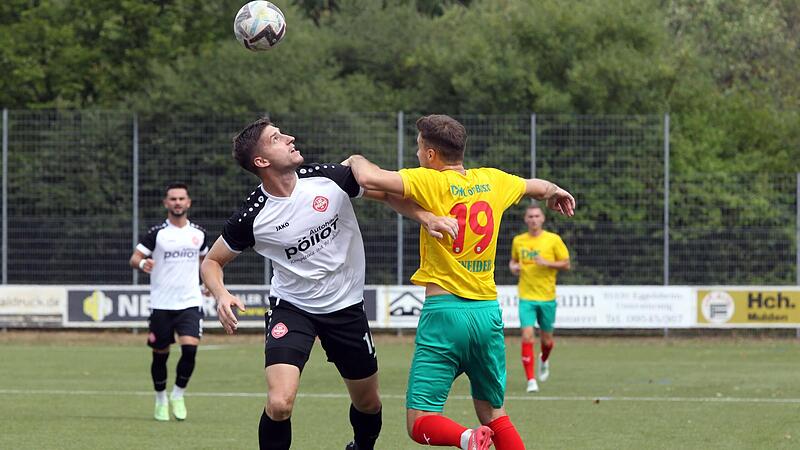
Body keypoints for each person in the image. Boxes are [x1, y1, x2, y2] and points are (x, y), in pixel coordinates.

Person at [201, 117, 457, 450]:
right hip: (292, 309)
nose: (290, 138)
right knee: (280, 403)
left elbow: (385, 193)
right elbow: (211, 261)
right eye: (277, 138)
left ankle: (362, 446)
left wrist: (426, 216)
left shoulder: (327, 178)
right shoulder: (252, 216)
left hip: (346, 307)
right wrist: (220, 294)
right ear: (261, 161)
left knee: (369, 404)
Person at [343, 114, 575, 450]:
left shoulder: (430, 181)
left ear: (432, 155)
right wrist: (555, 192)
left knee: (420, 419)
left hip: (445, 314)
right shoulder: (493, 180)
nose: (417, 153)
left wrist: (355, 158)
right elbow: (536, 187)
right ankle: (480, 434)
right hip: (486, 315)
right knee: (493, 412)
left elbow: (367, 177)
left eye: (419, 147)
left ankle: (466, 439)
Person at [128, 182, 211, 422]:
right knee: (160, 355)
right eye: (173, 199)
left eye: (181, 199)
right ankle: (160, 399)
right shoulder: (157, 234)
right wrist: (143, 264)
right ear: (166, 203)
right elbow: (135, 257)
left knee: (190, 350)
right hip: (162, 303)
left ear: (188, 202)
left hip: (189, 302)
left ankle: (178, 394)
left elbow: (207, 262)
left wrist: (209, 283)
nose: (177, 202)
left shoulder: (198, 234)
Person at [509, 202, 570, 393]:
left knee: (547, 341)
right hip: (526, 296)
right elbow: (514, 261)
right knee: (527, 335)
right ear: (526, 219)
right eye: (530, 216)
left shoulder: (553, 240)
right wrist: (513, 267)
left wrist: (547, 263)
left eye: (537, 216)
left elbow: (566, 264)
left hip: (547, 297)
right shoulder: (519, 241)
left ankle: (544, 359)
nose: (534, 220)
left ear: (543, 218)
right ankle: (531, 380)